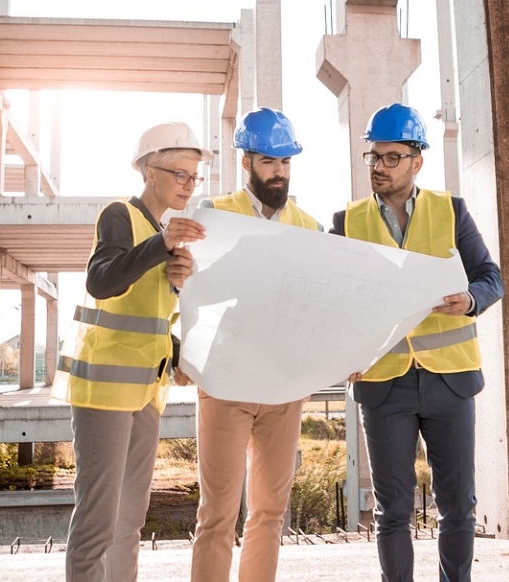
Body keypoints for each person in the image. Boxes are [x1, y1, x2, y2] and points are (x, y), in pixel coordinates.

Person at [330, 103, 504, 582]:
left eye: (391, 158)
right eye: (374, 157)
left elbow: (491, 277)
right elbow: (331, 299)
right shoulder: (347, 221)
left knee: (457, 506)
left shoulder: (451, 211)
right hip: (384, 384)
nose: (379, 167)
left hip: (450, 380)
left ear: (416, 162)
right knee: (392, 511)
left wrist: (469, 299)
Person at [57, 121, 213, 582]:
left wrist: (180, 351)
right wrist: (160, 247)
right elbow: (101, 280)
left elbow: (150, 320)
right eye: (180, 174)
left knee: (129, 521)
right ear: (149, 171)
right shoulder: (119, 215)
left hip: (146, 391)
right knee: (97, 521)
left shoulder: (160, 233)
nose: (188, 184)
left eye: (194, 177)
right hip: (104, 391)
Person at [190, 107, 321, 582]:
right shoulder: (215, 216)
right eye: (269, 162)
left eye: (286, 163)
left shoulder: (309, 226)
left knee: (269, 513)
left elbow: (317, 304)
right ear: (247, 162)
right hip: (225, 382)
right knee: (217, 513)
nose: (279, 172)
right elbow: (189, 291)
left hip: (283, 386)